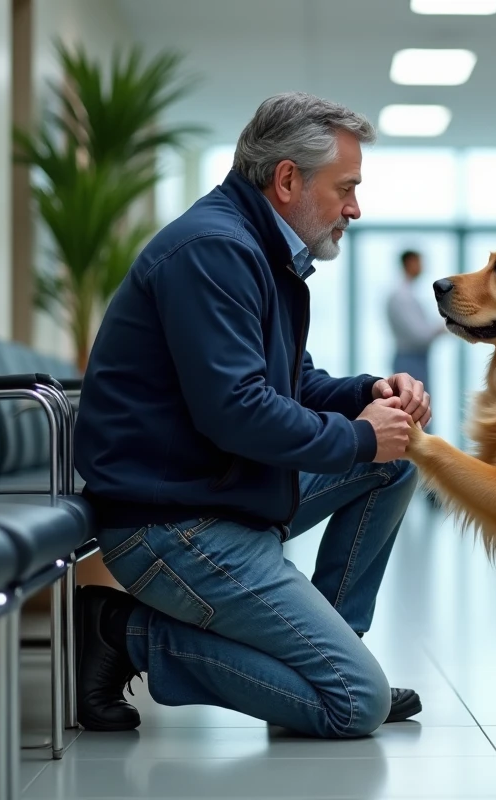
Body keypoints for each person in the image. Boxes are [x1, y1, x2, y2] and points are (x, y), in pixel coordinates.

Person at [73, 92, 427, 740]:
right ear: (287, 179)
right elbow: (237, 412)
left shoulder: (259, 253)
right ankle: (123, 632)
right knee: (353, 704)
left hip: (224, 490)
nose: (355, 207)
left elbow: (293, 383)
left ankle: (327, 650)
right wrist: (356, 437)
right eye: (345, 188)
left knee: (394, 461)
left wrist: (369, 393)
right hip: (172, 523)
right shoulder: (214, 252)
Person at [386, 250, 444, 389]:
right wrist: (443, 327)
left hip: (414, 358)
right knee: (413, 404)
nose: (422, 267)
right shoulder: (402, 297)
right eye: (419, 262)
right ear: (409, 263)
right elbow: (419, 335)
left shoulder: (405, 294)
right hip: (410, 359)